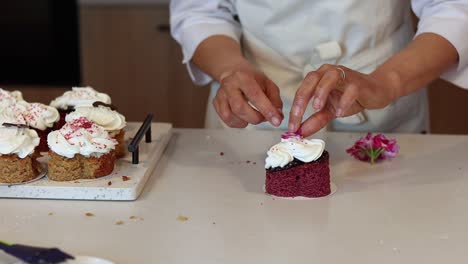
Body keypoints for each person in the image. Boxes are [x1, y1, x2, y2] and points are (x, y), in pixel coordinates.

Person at [170, 0, 468, 136]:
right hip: (252, 109)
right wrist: (228, 69)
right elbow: (200, 10)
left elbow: (454, 8)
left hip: (381, 100)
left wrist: (386, 82)